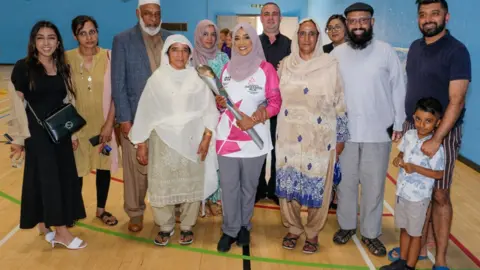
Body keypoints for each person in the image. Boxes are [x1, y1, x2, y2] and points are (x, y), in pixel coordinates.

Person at [391, 1, 471, 268]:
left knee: (439, 194)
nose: (428, 19)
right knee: (417, 192)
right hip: (414, 129)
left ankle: (442, 259)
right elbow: (410, 87)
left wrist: (436, 139)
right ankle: (420, 248)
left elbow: (457, 100)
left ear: (446, 17)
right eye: (422, 14)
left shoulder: (457, 51)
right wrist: (405, 126)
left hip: (442, 133)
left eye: (434, 13)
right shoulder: (415, 48)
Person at [331, 2, 406, 257]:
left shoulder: (386, 52)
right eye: (353, 21)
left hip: (378, 132)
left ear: (372, 23)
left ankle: (371, 233)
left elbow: (398, 87)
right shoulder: (337, 55)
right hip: (345, 134)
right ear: (347, 24)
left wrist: (399, 122)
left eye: (363, 20)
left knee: (374, 186)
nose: (358, 25)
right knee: (346, 184)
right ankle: (347, 226)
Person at [129, 34, 219, 246]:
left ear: (189, 54)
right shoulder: (156, 79)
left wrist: (207, 138)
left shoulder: (198, 77)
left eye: (184, 50)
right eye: (175, 50)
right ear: (167, 53)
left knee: (191, 184)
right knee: (161, 186)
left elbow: (209, 110)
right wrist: (141, 143)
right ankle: (166, 226)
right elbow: (145, 112)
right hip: (163, 142)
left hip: (192, 139)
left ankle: (187, 226)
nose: (180, 54)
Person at [9, 20, 87, 249]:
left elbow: (67, 101)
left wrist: (71, 134)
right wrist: (19, 139)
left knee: (56, 179)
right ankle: (62, 233)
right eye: (41, 37)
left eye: (51, 37)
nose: (46, 43)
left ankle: (44, 225)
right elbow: (17, 106)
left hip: (59, 133)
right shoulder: (23, 68)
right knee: (51, 181)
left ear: (58, 41)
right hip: (38, 135)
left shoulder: (62, 66)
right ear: (33, 42)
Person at [275, 18, 348, 254]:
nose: (306, 38)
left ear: (318, 37)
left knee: (319, 186)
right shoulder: (285, 64)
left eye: (312, 34)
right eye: (302, 34)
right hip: (288, 136)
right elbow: (275, 97)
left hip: (320, 137)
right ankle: (294, 228)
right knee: (290, 184)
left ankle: (313, 232)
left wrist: (341, 139)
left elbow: (340, 103)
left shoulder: (330, 65)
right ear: (297, 37)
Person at [215, 22, 282, 252]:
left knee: (248, 187)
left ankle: (244, 225)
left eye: (247, 38)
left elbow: (275, 104)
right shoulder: (225, 70)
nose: (242, 43)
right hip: (226, 139)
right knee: (229, 186)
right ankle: (229, 229)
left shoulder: (266, 69)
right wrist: (220, 103)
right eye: (237, 38)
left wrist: (252, 120)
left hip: (255, 139)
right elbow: (223, 103)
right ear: (231, 42)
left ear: (254, 41)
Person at [111, 0, 172, 232]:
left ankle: (165, 210)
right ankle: (135, 212)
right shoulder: (123, 40)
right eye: (148, 14)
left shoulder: (170, 39)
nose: (153, 19)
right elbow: (118, 84)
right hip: (136, 118)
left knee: (165, 168)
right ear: (138, 13)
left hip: (167, 120)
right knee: (135, 169)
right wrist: (125, 120)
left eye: (157, 14)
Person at [66, 15, 120, 227]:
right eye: (83, 33)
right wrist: (69, 131)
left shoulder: (109, 56)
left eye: (92, 32)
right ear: (75, 36)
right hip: (77, 129)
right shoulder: (66, 58)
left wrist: (109, 124)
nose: (89, 37)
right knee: (76, 170)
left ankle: (101, 210)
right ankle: (73, 209)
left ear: (97, 32)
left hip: (102, 128)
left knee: (103, 166)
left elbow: (116, 93)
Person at [381, 97, 446, 270]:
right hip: (402, 192)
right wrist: (398, 158)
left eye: (428, 121)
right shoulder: (409, 136)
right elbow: (403, 153)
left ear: (438, 123)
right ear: (413, 117)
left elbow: (439, 174)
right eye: (418, 119)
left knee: (415, 234)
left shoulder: (435, 148)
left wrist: (415, 169)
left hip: (418, 198)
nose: (422, 125)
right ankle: (402, 261)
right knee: (404, 229)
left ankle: (410, 266)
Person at [192, 19, 229, 217]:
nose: (209, 38)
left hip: (219, 117)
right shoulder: (190, 58)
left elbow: (229, 85)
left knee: (216, 159)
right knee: (199, 157)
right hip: (196, 117)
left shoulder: (223, 58)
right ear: (198, 35)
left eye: (213, 34)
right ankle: (199, 199)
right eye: (205, 34)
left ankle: (214, 198)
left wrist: (221, 100)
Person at [256, 1, 291, 205]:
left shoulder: (290, 45)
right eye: (266, 14)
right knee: (259, 148)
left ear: (280, 18)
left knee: (280, 151)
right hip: (258, 108)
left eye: (274, 14)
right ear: (261, 18)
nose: (270, 18)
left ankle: (277, 189)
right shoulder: (252, 44)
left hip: (283, 109)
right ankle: (259, 188)